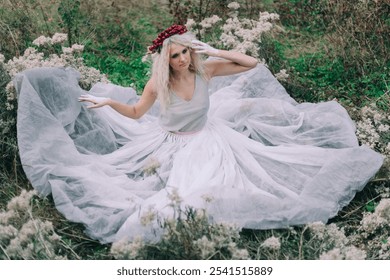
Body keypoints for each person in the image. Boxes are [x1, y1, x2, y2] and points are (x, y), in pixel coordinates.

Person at [15, 25, 383, 244]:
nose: (182, 60)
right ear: (164, 59)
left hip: (210, 137)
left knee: (235, 184)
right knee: (164, 193)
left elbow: (250, 64)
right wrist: (109, 103)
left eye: (185, 53)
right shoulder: (157, 84)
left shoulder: (204, 71)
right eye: (174, 56)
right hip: (170, 142)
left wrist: (215, 49)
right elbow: (136, 113)